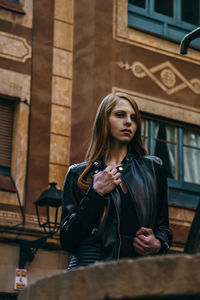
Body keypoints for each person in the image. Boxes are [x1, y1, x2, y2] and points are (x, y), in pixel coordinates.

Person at [60, 92, 172, 269]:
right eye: (120, 115)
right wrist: (95, 193)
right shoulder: (79, 174)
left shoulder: (153, 168)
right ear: (104, 120)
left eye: (133, 118)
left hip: (137, 275)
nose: (128, 122)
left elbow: (163, 227)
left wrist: (157, 243)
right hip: (88, 274)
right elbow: (67, 240)